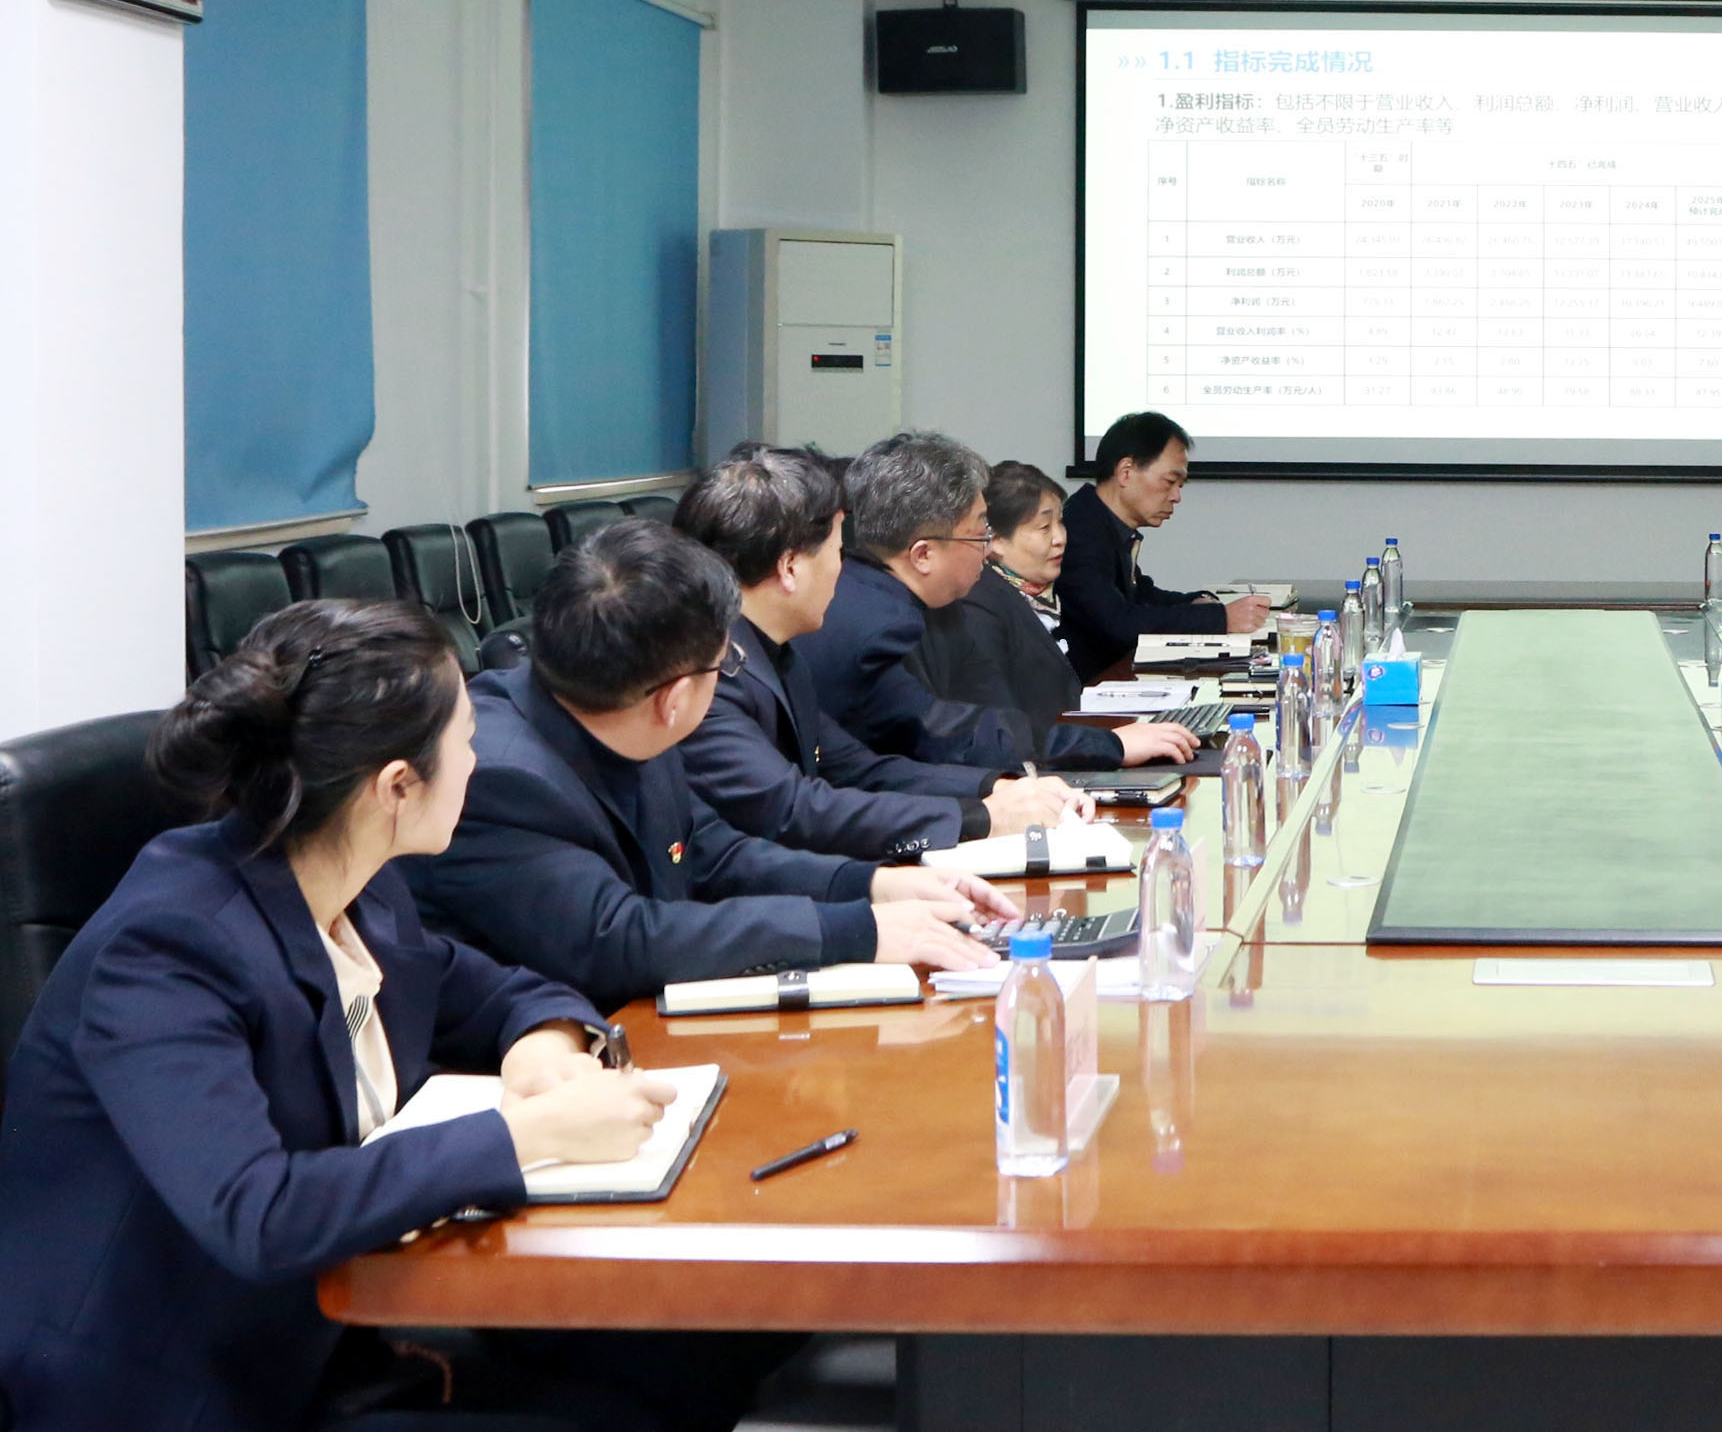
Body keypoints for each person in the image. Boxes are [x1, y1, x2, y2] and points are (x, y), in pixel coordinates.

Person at [0, 598, 687, 1432]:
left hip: (276, 1364)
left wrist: (544, 1041)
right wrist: (521, 1136)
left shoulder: (351, 883)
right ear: (395, 785)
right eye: (467, 740)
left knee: (620, 1423)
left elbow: (486, 985)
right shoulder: (167, 949)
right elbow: (259, 1212)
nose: (481, 761)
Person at [408, 517, 1011, 1011]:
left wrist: (873, 886)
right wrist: (855, 931)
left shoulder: (621, 707)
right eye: (722, 668)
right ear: (674, 700)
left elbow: (713, 852)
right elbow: (621, 939)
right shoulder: (497, 778)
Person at [672, 444, 1082, 858]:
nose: (843, 571)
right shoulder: (709, 673)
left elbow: (857, 769)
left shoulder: (778, 655)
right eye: (836, 553)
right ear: (790, 568)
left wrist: (996, 788)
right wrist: (981, 818)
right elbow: (794, 809)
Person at [798, 432, 1197, 774]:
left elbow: (984, 724)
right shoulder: (876, 624)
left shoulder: (936, 601)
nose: (988, 548)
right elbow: (946, 738)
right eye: (979, 535)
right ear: (923, 555)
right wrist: (1109, 746)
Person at [942, 458, 1187, 765]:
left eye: (1060, 523)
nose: (1060, 538)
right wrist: (1109, 745)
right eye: (1044, 527)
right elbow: (1002, 734)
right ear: (997, 541)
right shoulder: (979, 608)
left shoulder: (1038, 596)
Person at [1057, 408, 1272, 679]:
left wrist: (1196, 602)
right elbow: (1118, 622)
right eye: (1170, 481)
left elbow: (1142, 595)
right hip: (1085, 689)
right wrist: (1222, 618)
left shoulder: (1101, 521)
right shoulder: (1079, 530)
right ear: (1126, 472)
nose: (1176, 497)